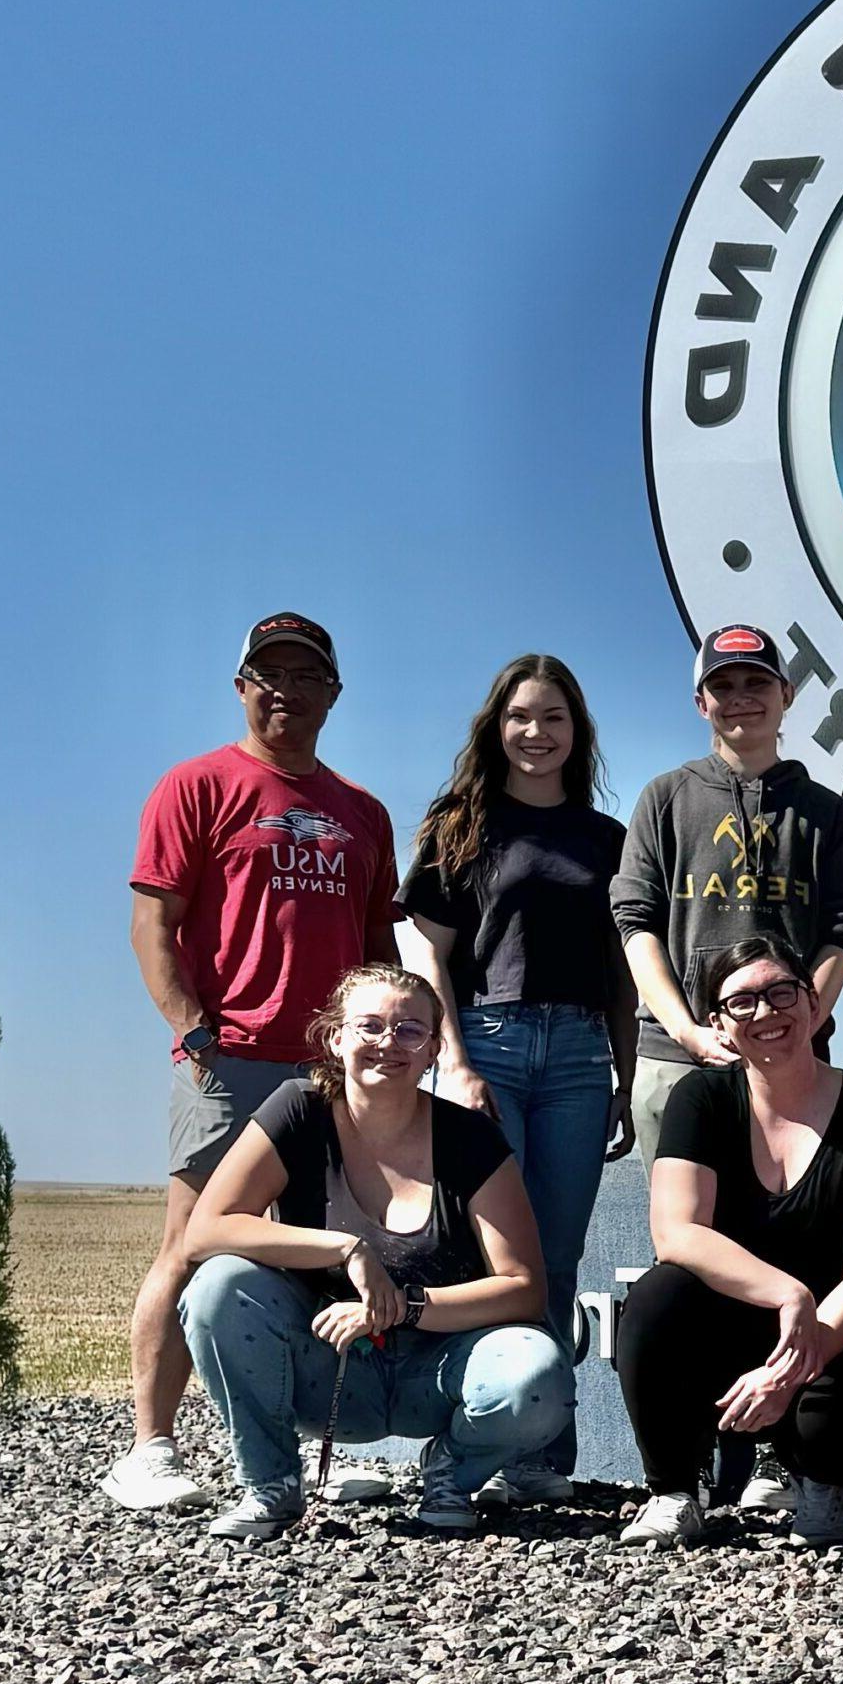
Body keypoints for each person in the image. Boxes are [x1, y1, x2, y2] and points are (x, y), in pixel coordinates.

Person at [102, 612, 402, 1515]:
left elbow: (378, 942)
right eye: (266, 673)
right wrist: (195, 1028)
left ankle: (317, 1445)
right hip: (233, 1057)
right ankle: (150, 1448)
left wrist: (390, 1046)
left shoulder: (363, 812)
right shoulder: (196, 786)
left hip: (333, 1072)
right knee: (194, 1245)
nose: (284, 689)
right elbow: (153, 924)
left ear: (332, 695)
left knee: (323, 1256)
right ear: (241, 687)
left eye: (304, 675)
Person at [177, 966, 572, 1540]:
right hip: (327, 1367)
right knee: (219, 1285)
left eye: (411, 1031)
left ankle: (452, 1474)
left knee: (536, 1370)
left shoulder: (472, 1139)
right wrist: (345, 1248)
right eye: (370, 1026)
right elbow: (205, 1231)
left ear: (435, 1049)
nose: (389, 1043)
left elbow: (523, 1289)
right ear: (335, 1038)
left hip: (437, 1375)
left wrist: (403, 1306)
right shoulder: (297, 1110)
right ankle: (272, 1483)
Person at [397, 653, 634, 1503]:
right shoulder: (461, 825)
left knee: (560, 1260)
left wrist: (623, 1075)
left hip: (578, 1058)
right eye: (521, 717)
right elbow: (422, 947)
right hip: (487, 1048)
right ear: (497, 727)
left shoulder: (608, 840)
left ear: (579, 733)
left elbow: (620, 970)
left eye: (554, 718)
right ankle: (467, 1444)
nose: (536, 734)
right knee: (490, 1254)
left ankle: (539, 1456)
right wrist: (452, 1061)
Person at [614, 937, 843, 1549]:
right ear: (719, 1022)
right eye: (742, 1001)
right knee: (657, 1297)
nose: (766, 1013)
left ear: (813, 1005)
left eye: (782, 993)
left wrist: (789, 1367)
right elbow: (677, 1233)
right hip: (739, 1315)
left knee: (827, 1423)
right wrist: (787, 1293)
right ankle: (674, 1488)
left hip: (840, 1330)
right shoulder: (700, 1099)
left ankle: (823, 1478)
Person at [610, 624, 843, 1167]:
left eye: (758, 682)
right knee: (685, 1239)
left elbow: (842, 934)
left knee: (788, 1237)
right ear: (701, 702)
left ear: (787, 695)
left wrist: (799, 1030)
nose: (741, 698)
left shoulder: (825, 812)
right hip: (676, 1061)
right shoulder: (663, 798)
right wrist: (688, 1033)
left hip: (793, 1061)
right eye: (723, 686)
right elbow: (636, 926)